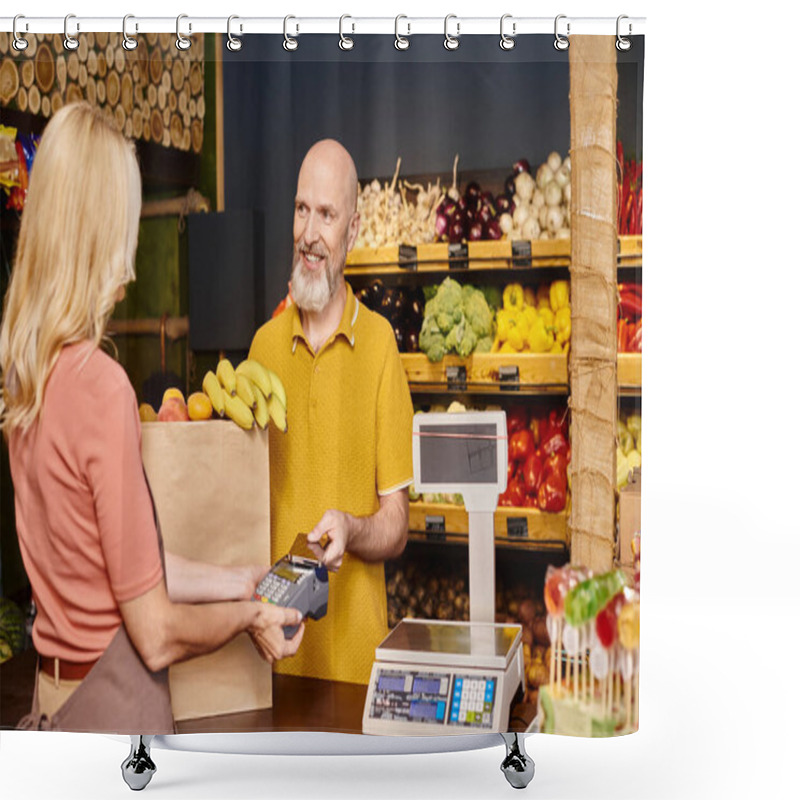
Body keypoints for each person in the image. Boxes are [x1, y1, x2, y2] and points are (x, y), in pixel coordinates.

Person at [0, 102, 304, 734]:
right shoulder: (101, 386)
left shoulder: (25, 375)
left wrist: (241, 580)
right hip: (113, 715)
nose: (131, 267)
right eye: (123, 233)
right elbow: (156, 632)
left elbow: (124, 571)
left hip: (55, 704)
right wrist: (251, 616)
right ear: (92, 236)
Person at [248, 139, 413, 685]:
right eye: (301, 210)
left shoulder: (381, 345)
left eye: (326, 214)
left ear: (354, 229)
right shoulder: (262, 350)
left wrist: (351, 527)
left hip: (357, 675)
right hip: (272, 666)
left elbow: (396, 524)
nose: (309, 234)